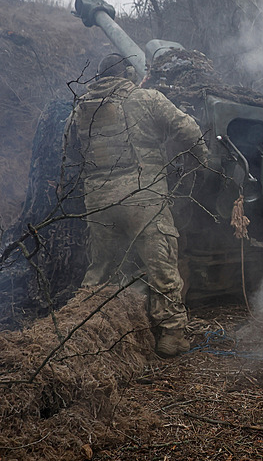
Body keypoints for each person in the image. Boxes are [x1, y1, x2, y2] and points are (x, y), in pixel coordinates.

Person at [64, 53, 213, 358]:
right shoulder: (145, 98)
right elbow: (189, 130)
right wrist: (202, 160)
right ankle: (171, 335)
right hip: (142, 197)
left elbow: (69, 153)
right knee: (161, 263)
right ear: (128, 73)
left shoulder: (80, 109)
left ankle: (81, 330)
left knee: (102, 268)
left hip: (98, 200)